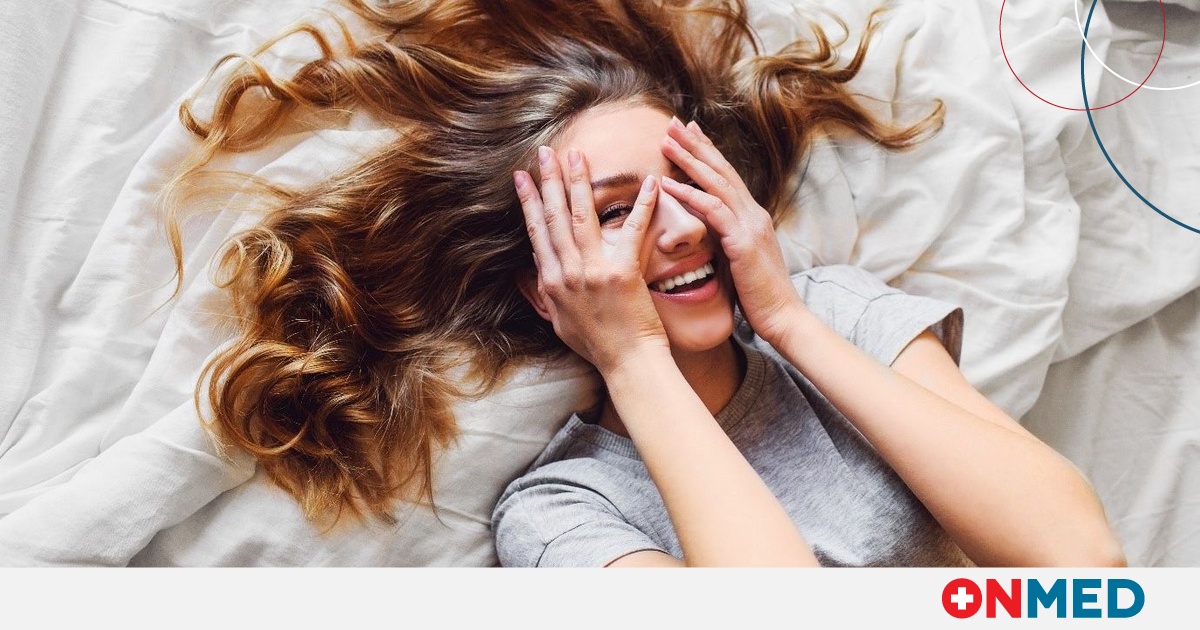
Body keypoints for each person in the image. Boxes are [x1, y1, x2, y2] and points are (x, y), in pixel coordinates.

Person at [160, 0, 1123, 566]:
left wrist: (789, 319)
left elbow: (1082, 566)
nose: (682, 226)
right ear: (546, 284)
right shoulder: (563, 512)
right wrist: (631, 359)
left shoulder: (837, 314)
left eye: (688, 185)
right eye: (617, 211)